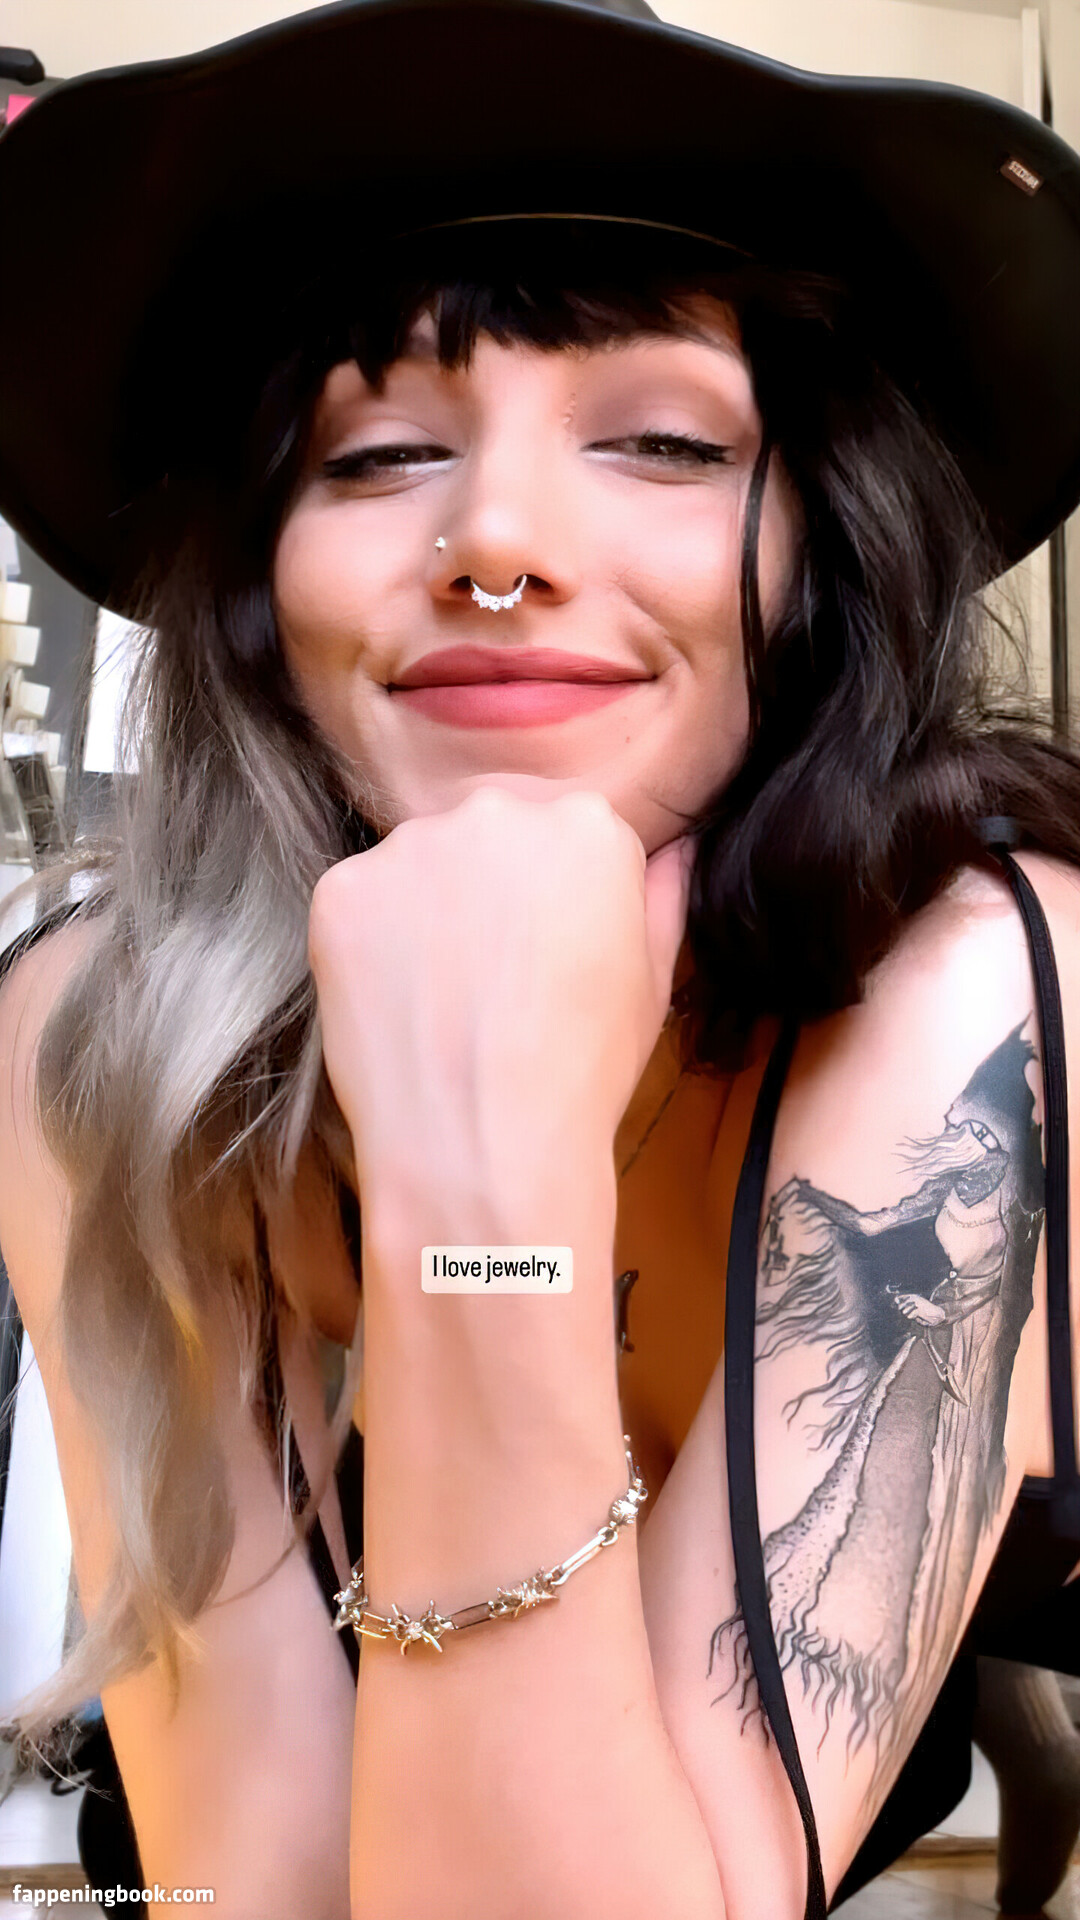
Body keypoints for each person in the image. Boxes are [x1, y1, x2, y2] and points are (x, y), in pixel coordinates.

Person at [0, 2, 1079, 1916]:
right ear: (253, 586)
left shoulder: (976, 982)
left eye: (664, 441)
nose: (496, 542)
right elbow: (257, 1878)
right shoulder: (89, 1032)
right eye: (377, 456)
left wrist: (482, 1191)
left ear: (823, 549)